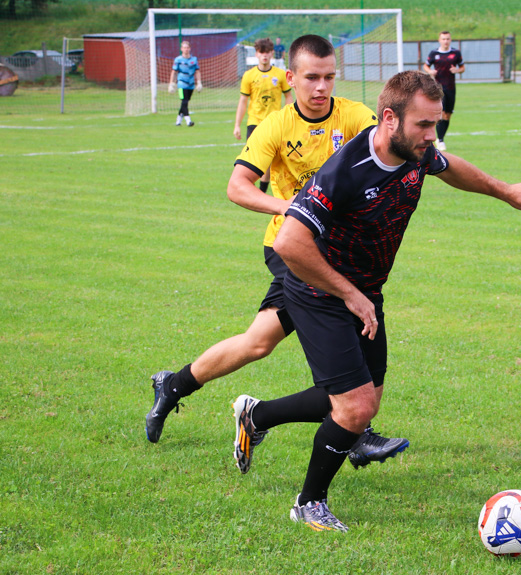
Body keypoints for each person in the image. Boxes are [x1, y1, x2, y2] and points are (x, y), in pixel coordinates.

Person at [232, 69, 521, 532]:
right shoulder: (346, 170)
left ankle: (257, 414)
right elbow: (289, 244)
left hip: (364, 289)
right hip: (318, 289)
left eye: (437, 123)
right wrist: (349, 294)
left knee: (360, 399)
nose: (433, 135)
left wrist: (505, 192)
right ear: (389, 118)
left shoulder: (417, 152)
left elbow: (452, 167)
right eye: (424, 125)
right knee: (355, 407)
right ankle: (308, 502)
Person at [146, 35, 407, 471]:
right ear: (292, 78)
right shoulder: (276, 125)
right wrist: (287, 206)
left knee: (257, 342)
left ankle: (173, 385)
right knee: (338, 323)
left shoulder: (356, 117)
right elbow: (237, 187)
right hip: (291, 246)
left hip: (337, 250)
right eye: (311, 78)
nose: (321, 87)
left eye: (328, 77)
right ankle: (355, 431)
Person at [234, 37, 292, 194]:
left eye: (267, 52)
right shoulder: (249, 75)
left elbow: (288, 97)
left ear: (272, 53)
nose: (264, 56)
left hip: (274, 123)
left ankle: (262, 191)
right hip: (254, 123)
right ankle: (256, 190)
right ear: (257, 54)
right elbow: (243, 101)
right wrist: (237, 125)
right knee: (254, 159)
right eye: (261, 52)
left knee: (271, 160)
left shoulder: (280, 75)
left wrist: (287, 117)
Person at [422, 31, 464, 151]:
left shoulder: (455, 53)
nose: (446, 41)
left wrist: (457, 70)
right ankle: (440, 140)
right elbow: (426, 66)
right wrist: (430, 72)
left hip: (451, 88)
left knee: (448, 115)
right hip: (438, 89)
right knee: (441, 114)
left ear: (450, 40)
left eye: (448, 39)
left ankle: (440, 138)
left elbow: (462, 67)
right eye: (443, 39)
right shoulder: (434, 53)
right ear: (439, 40)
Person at [169, 40, 202, 127]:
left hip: (191, 84)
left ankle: (178, 121)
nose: (186, 49)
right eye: (184, 47)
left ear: (190, 49)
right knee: (184, 101)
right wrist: (171, 83)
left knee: (185, 102)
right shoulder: (178, 60)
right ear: (181, 49)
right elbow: (174, 71)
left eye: (187, 47)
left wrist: (199, 82)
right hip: (181, 84)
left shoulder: (194, 59)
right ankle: (188, 121)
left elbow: (197, 71)